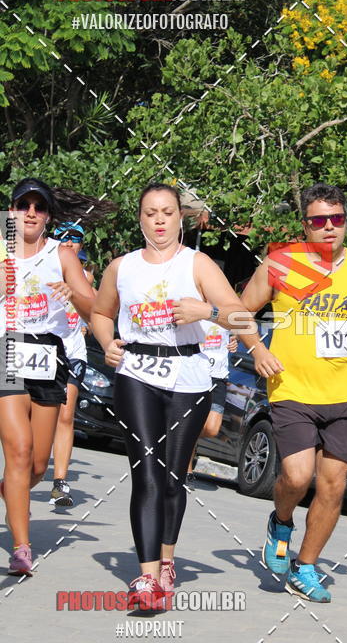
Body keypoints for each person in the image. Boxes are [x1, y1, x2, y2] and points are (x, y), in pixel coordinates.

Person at [90, 183, 280, 609]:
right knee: (147, 474)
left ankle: (168, 558)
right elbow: (101, 313)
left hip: (188, 377)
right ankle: (146, 579)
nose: (159, 220)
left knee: (173, 477)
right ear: (139, 218)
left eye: (167, 212)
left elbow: (237, 313)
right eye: (150, 212)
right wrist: (107, 342)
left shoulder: (199, 264)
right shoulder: (121, 267)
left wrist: (212, 317)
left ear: (181, 217)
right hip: (136, 372)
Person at [241, 183, 347, 603]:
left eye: (337, 219)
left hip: (341, 393)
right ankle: (282, 520)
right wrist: (256, 350)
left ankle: (305, 567)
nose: (329, 228)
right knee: (297, 476)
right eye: (319, 221)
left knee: (333, 486)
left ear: (346, 222)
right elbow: (238, 312)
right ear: (305, 225)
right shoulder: (281, 263)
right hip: (291, 387)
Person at [0, 179, 95, 576]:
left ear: (49, 217)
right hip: (7, 351)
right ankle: (22, 548)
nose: (31, 213)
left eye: (39, 207)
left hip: (49, 357)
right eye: (24, 205)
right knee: (18, 453)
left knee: (37, 464)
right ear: (13, 211)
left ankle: (12, 492)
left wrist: (72, 295)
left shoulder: (61, 255)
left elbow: (94, 308)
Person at [49, 222, 96, 507]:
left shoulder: (87, 277)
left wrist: (89, 324)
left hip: (73, 352)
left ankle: (60, 483)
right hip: (40, 348)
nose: (68, 243)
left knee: (66, 415)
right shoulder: (38, 267)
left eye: (75, 239)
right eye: (62, 238)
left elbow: (97, 310)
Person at [186, 323, 237, 485]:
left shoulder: (227, 309)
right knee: (191, 424)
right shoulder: (195, 304)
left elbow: (242, 327)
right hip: (193, 372)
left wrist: (235, 339)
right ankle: (186, 469)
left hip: (218, 377)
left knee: (212, 428)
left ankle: (180, 441)